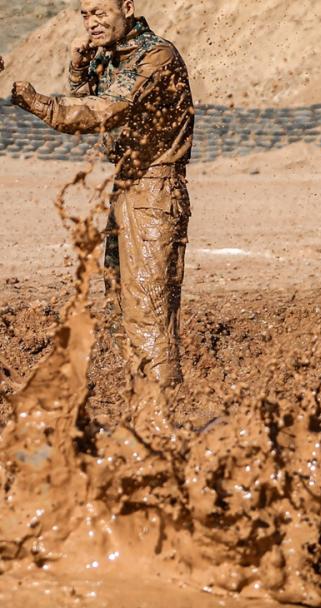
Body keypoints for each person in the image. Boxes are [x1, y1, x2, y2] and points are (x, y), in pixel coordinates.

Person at [10, 0, 194, 387]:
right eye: (85, 15)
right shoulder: (113, 57)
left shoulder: (154, 55)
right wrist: (79, 69)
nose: (91, 23)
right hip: (128, 188)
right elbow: (93, 111)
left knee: (149, 313)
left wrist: (40, 103)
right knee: (120, 306)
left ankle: (161, 411)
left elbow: (105, 112)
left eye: (100, 13)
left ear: (127, 8)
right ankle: (142, 404)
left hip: (155, 192)